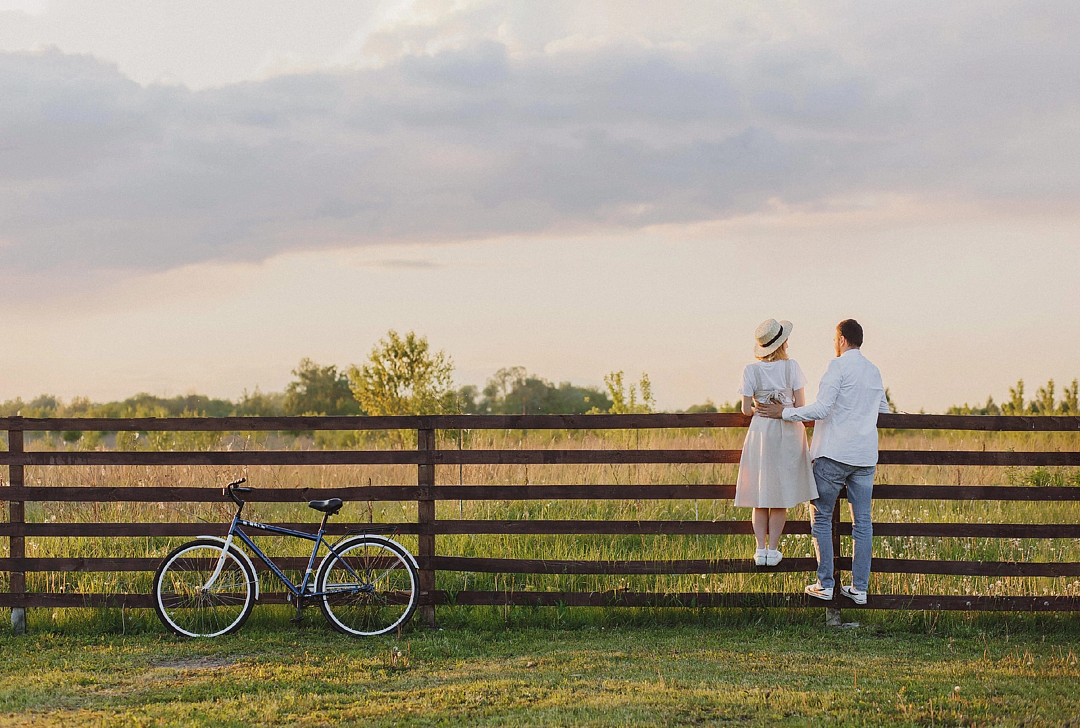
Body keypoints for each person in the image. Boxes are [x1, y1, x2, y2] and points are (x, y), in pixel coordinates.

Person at [756, 319, 890, 606]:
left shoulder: (837, 367)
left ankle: (825, 584)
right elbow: (883, 409)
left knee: (820, 518)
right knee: (863, 523)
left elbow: (822, 408)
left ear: (841, 339)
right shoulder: (874, 371)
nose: (834, 343)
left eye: (834, 338)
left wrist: (784, 412)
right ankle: (860, 589)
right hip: (865, 457)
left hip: (834, 454)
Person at [735, 319, 817, 567]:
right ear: (782, 344)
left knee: (761, 493)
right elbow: (801, 406)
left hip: (762, 432)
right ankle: (773, 550)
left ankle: (760, 550)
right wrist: (782, 407)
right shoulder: (792, 367)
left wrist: (761, 407)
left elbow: (745, 409)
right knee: (780, 493)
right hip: (787, 430)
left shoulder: (751, 370)